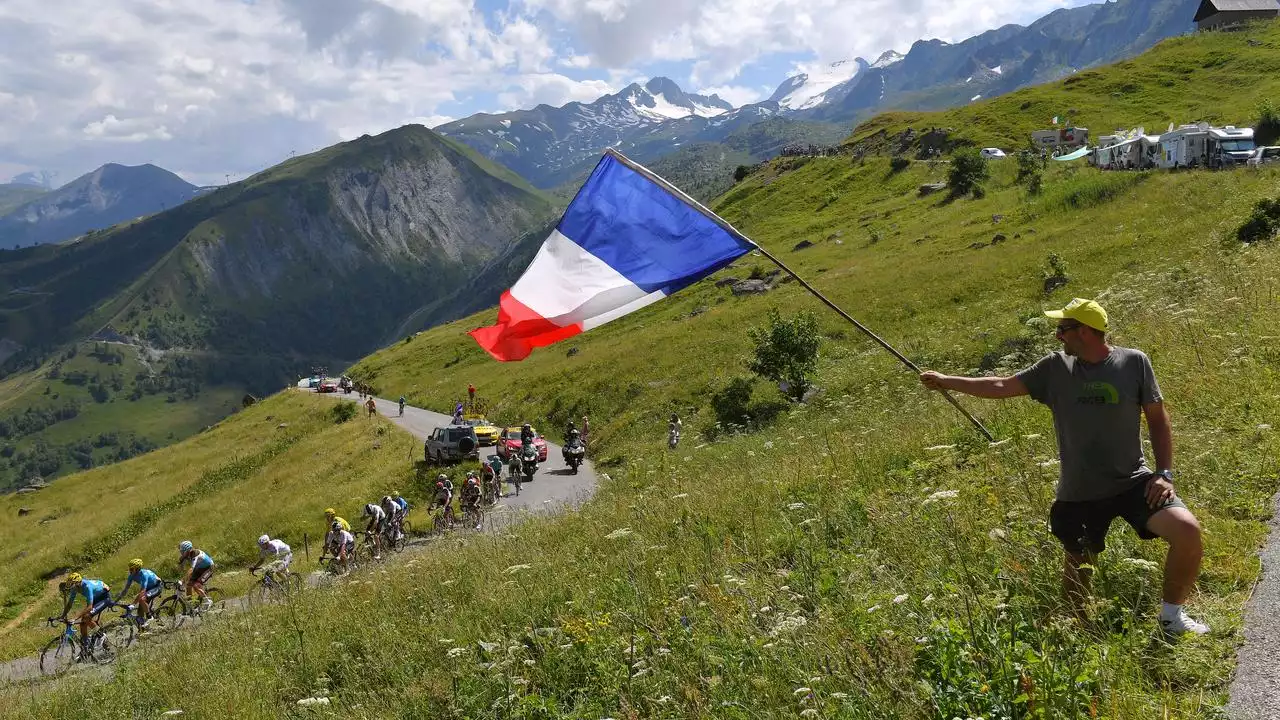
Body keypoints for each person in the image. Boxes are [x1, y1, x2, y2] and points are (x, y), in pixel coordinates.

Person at [919, 298, 1209, 636]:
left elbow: (1158, 420)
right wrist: (947, 380)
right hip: (1080, 491)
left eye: (1063, 329)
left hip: (1133, 481)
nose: (1058, 336)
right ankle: (1079, 632)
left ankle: (1171, 617)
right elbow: (1001, 384)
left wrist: (1164, 474)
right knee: (1078, 567)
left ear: (1084, 331)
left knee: (1187, 531)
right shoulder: (1054, 368)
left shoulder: (1134, 362)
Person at [58, 573, 113, 649]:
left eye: (73, 585)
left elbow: (90, 607)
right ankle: (85, 647)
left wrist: (75, 618)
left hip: (104, 598)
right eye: (71, 585)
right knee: (83, 622)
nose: (73, 588)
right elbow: (69, 604)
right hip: (95, 598)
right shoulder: (75, 587)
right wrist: (62, 616)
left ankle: (101, 635)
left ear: (79, 583)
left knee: (86, 617)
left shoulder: (87, 586)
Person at [117, 558, 163, 629]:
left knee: (141, 599)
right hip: (149, 588)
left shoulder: (144, 574)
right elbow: (126, 589)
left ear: (137, 569)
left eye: (132, 569)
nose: (130, 570)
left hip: (157, 586)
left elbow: (142, 591)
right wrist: (116, 601)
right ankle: (143, 628)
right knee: (140, 612)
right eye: (129, 568)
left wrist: (133, 604)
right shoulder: (131, 575)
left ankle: (150, 617)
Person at [177, 541, 215, 612]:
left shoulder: (195, 554)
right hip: (199, 568)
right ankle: (191, 606)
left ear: (188, 550)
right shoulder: (186, 555)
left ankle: (208, 601)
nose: (181, 553)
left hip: (209, 568)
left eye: (182, 551)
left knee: (196, 586)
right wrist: (180, 563)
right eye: (181, 551)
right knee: (188, 586)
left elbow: (191, 570)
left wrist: (182, 580)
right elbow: (181, 569)